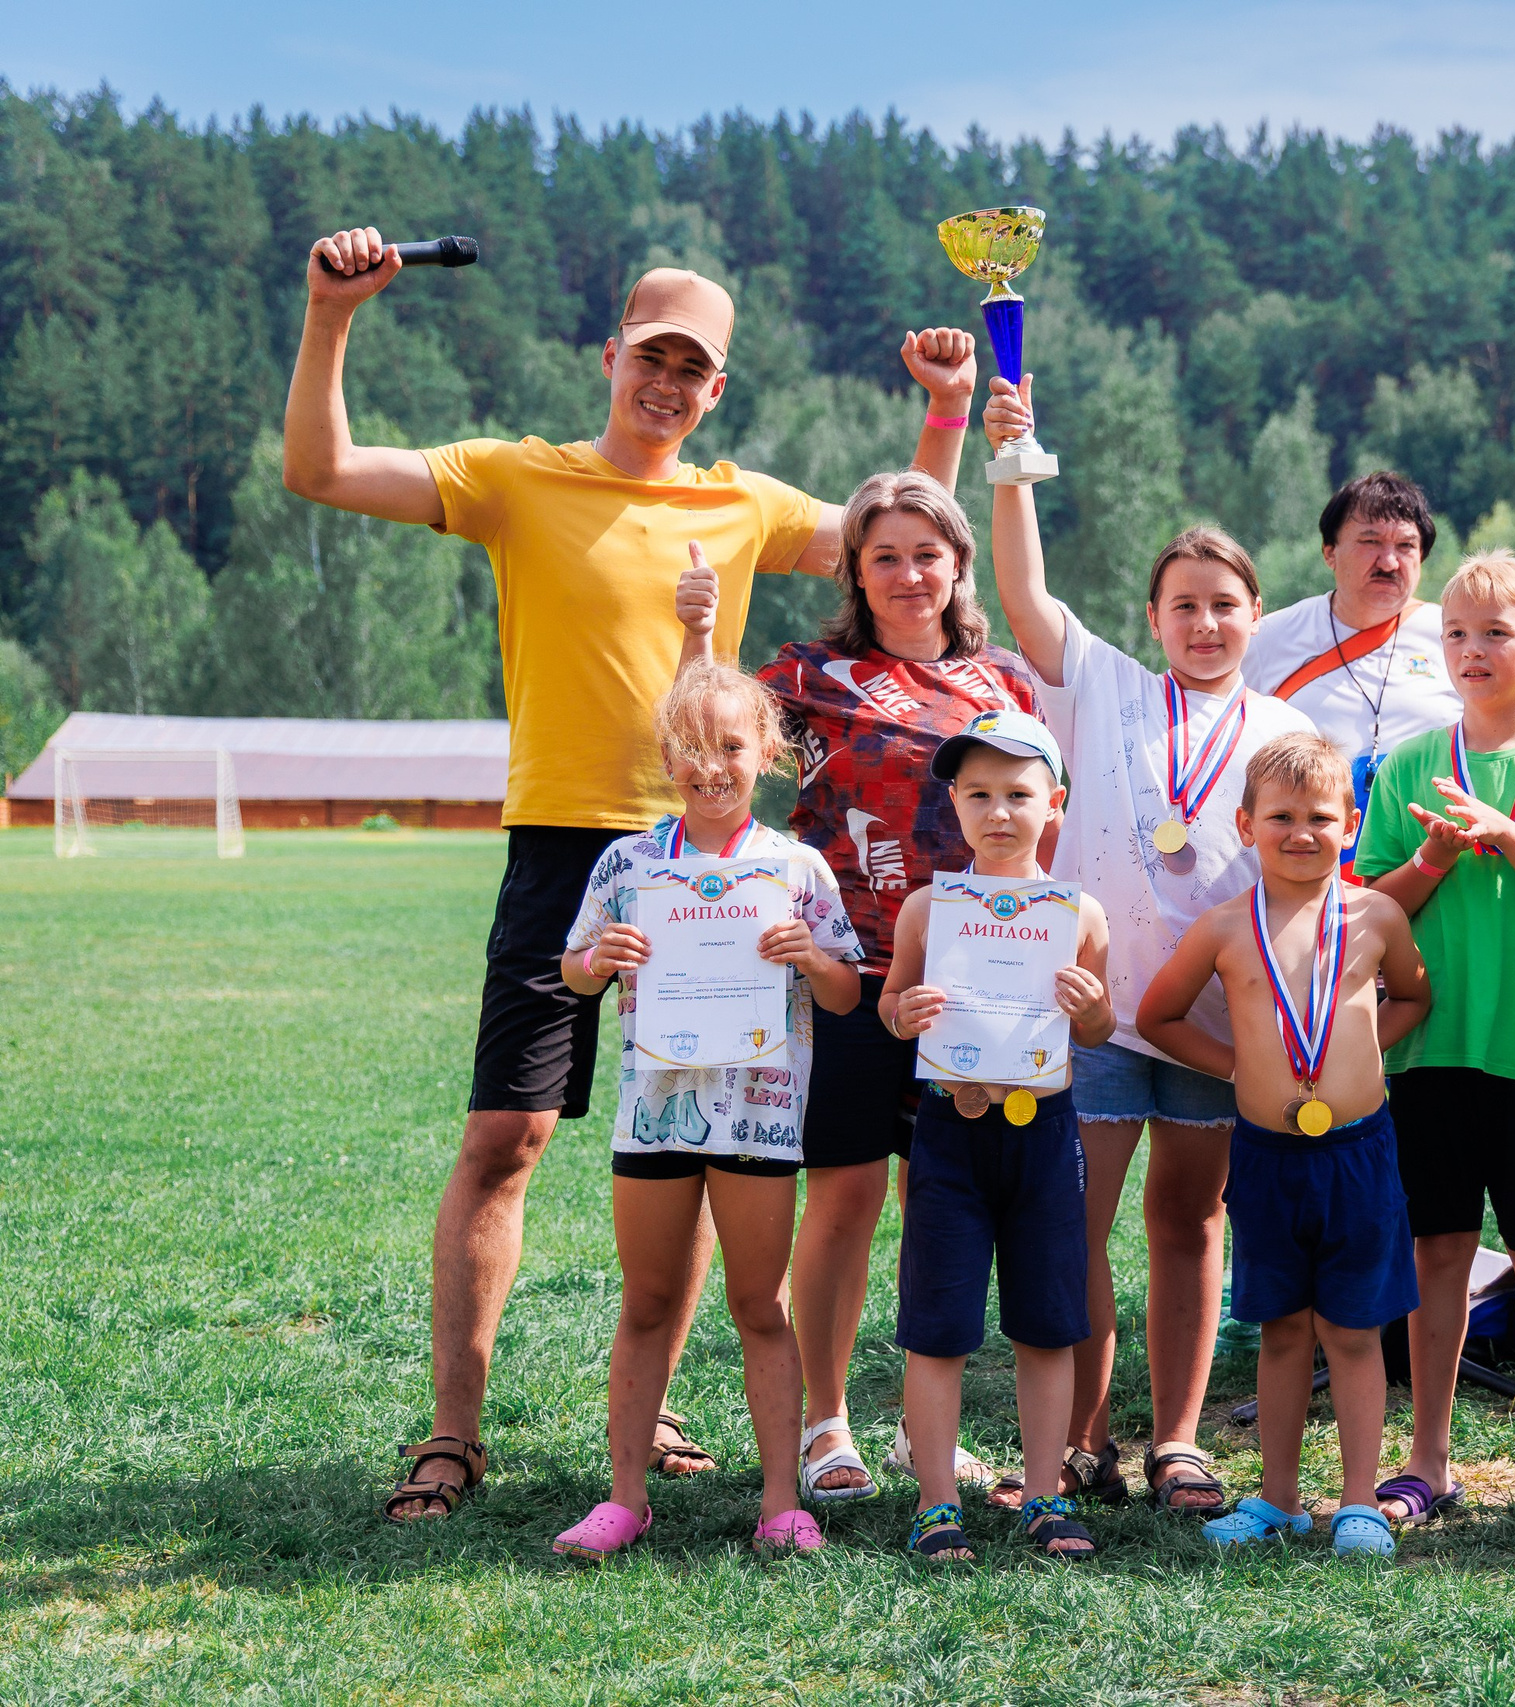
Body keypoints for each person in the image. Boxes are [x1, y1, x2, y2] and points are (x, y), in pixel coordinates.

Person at [283, 227, 977, 1523]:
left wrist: (942, 416)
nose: (666, 381)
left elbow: (895, 549)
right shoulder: (512, 477)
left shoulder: (743, 500)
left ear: (717, 389)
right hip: (569, 851)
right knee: (507, 1134)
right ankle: (452, 1431)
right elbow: (318, 467)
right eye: (649, 356)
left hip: (715, 863)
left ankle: (647, 1396)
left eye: (692, 367)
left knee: (703, 1130)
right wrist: (333, 316)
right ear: (608, 357)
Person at [981, 377, 1316, 1512]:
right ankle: (1082, 1436)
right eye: (1183, 604)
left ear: (1255, 615)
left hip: (1217, 1027)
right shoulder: (1105, 691)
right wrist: (1013, 462)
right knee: (1077, 1225)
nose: (1205, 622)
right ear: (1152, 618)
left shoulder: (1287, 730)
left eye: (1224, 603)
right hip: (1101, 1011)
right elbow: (1022, 595)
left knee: (1189, 1223)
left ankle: (1176, 1441)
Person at [757, 462, 1047, 1508]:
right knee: (841, 1199)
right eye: (884, 555)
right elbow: (706, 737)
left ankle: (935, 1426)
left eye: (927, 553)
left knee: (947, 1205)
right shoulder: (807, 676)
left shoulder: (1008, 682)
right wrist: (699, 635)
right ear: (854, 568)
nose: (908, 572)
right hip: (846, 975)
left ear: (959, 563)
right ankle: (828, 1420)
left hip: (974, 984)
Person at [551, 636, 866, 1560]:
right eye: (693, 746)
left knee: (758, 1302)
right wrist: (596, 961)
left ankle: (778, 1501)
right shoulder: (627, 864)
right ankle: (624, 1497)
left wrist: (808, 956)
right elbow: (572, 972)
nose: (713, 764)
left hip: (759, 1116)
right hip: (653, 1110)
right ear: (666, 760)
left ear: (765, 753)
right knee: (648, 1300)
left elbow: (845, 991)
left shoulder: (796, 867)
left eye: (732, 745)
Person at [1352, 549, 1515, 1526]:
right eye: (1455, 633)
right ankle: (1427, 1456)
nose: (1472, 649)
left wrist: (1511, 837)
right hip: (1429, 1047)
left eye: (1495, 633)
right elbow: (1372, 906)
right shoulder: (1412, 765)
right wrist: (1428, 860)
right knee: (1439, 1255)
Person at [1138, 734, 1432, 1557]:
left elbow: (1413, 994)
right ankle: (1276, 1498)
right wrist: (1239, 1065)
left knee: (1353, 1331)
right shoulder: (1225, 927)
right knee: (1282, 1331)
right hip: (1267, 1158)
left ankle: (1360, 1501)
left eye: (1320, 817)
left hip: (1359, 1154)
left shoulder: (1376, 914)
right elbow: (1159, 1016)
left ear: (1352, 824)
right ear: (1245, 824)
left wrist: (1364, 1061)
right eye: (1281, 817)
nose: (1301, 832)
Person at [877, 710, 1115, 1562]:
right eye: (978, 793)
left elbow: (1096, 1025)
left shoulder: (1079, 912)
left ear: (1055, 800)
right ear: (954, 800)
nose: (999, 811)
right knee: (936, 1323)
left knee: (1049, 1322)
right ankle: (938, 1503)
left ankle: (1045, 1493)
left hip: (1044, 1132)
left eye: (1019, 793)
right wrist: (905, 1011)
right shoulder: (926, 908)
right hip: (951, 1128)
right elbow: (892, 1005)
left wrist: (1094, 1013)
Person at [1242, 472, 1462, 852]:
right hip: (1308, 858)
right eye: (1370, 542)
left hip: (1434, 857)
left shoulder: (1454, 634)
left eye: (1406, 546)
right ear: (1329, 551)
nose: (1389, 562)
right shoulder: (1268, 639)